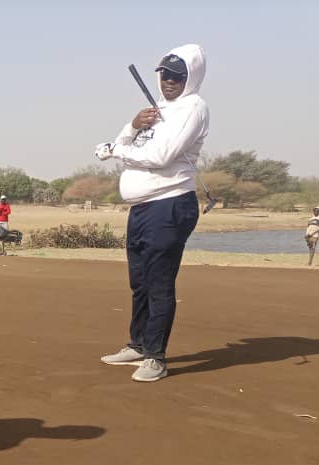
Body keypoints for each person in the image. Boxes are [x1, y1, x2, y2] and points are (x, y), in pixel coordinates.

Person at [93, 45, 209, 382]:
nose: (169, 81)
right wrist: (130, 127)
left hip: (170, 204)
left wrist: (117, 151)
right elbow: (129, 144)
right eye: (164, 74)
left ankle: (156, 357)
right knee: (139, 282)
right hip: (143, 208)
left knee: (159, 283)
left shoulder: (193, 108)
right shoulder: (159, 109)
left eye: (177, 75)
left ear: (191, 77)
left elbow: (160, 156)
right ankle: (138, 344)